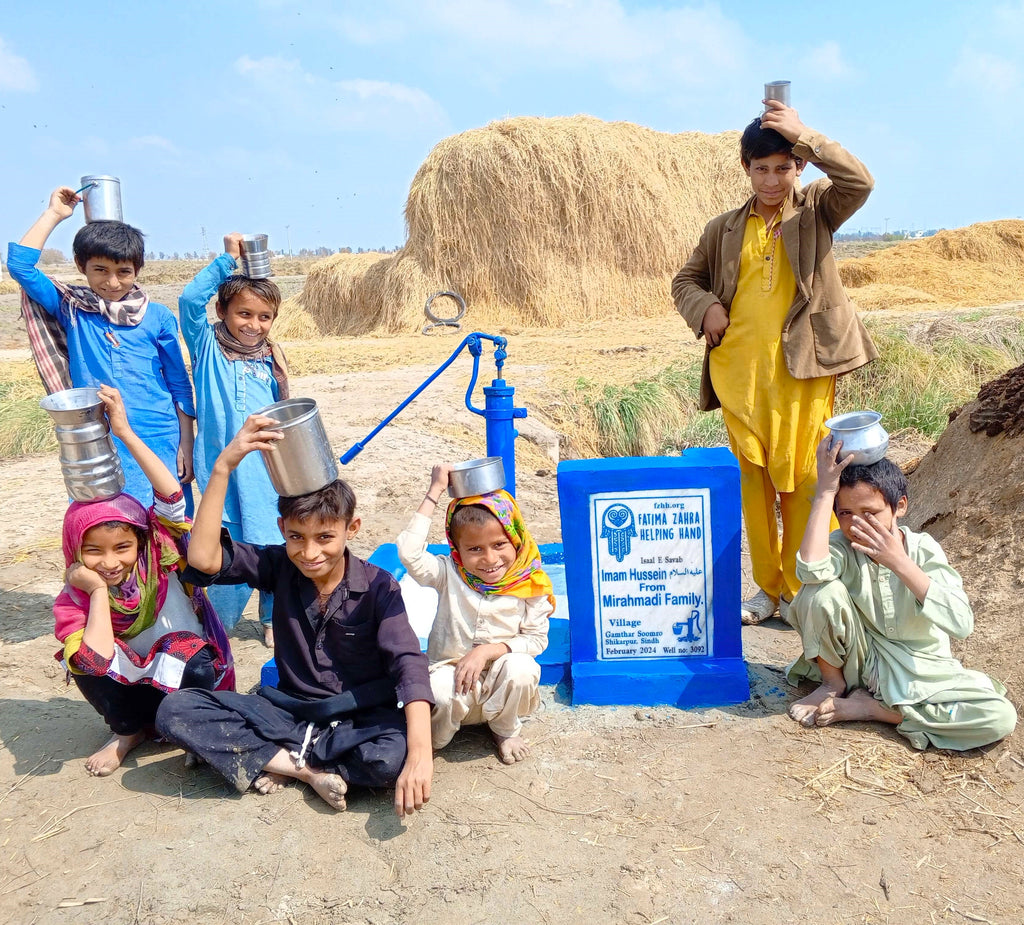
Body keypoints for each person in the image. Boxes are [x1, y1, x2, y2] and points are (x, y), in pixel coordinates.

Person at [155, 416, 434, 816]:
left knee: (388, 760)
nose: (309, 553)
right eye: (296, 537)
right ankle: (307, 771)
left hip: (357, 717)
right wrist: (223, 467)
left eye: (325, 537)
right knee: (176, 710)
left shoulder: (379, 586)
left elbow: (408, 661)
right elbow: (202, 558)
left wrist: (421, 755)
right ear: (282, 528)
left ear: (352, 528)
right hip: (286, 711)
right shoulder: (278, 566)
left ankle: (277, 758)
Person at [672, 100, 878, 625]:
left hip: (802, 372)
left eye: (782, 168)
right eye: (761, 168)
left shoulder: (816, 211)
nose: (771, 180)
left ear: (799, 166)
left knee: (806, 481)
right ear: (746, 168)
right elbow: (685, 281)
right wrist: (706, 307)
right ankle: (767, 589)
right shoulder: (723, 229)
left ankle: (804, 587)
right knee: (756, 485)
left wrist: (804, 133)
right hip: (739, 376)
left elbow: (860, 181)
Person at [786, 437, 1017, 750]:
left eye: (870, 512)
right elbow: (809, 570)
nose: (857, 524)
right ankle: (832, 684)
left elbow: (961, 623)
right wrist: (826, 491)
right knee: (819, 591)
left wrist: (898, 562)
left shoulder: (923, 549)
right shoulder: (842, 545)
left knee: (999, 716)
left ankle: (875, 710)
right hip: (862, 664)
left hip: (923, 672)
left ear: (900, 507)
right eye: (846, 513)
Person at [54, 386, 234, 777]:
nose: (110, 562)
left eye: (122, 547)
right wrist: (97, 592)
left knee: (191, 653)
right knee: (81, 660)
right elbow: (96, 661)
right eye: (93, 551)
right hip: (130, 690)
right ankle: (127, 732)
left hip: (185, 681)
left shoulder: (159, 551)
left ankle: (197, 731)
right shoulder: (76, 595)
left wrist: (124, 432)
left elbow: (171, 496)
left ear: (141, 540)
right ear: (74, 550)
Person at [8, 186, 196, 508]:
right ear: (81, 265)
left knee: (168, 524)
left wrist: (187, 443)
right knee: (107, 527)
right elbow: (20, 266)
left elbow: (179, 384)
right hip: (99, 438)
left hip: (158, 435)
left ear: (137, 270)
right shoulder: (72, 309)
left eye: (124, 272)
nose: (112, 283)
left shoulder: (158, 316)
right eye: (100, 270)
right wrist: (54, 213)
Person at [397, 464, 553, 764]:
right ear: (457, 549)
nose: (490, 559)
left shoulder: (530, 582)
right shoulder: (448, 573)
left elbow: (536, 640)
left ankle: (504, 729)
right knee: (438, 691)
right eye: (475, 549)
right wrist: (435, 490)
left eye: (499, 544)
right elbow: (409, 553)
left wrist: (487, 652)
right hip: (452, 680)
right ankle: (432, 742)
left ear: (516, 539)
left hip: (501, 683)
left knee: (523, 668)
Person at [179, 232, 289, 647]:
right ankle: (218, 624)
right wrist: (227, 259)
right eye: (244, 313)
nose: (253, 325)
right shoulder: (207, 345)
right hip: (222, 469)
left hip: (265, 471)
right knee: (226, 543)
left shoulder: (270, 356)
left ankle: (272, 618)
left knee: (274, 541)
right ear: (222, 311)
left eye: (264, 317)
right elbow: (190, 299)